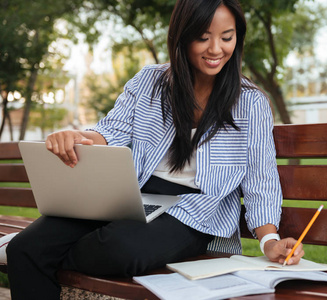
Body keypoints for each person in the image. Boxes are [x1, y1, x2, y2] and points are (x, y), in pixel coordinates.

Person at [1, 0, 304, 298]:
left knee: (118, 250)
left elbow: (259, 180)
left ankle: (46, 253)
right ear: (182, 36)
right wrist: (77, 138)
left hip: (194, 212)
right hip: (130, 197)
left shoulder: (251, 103)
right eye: (203, 37)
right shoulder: (149, 82)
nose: (216, 49)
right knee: (24, 249)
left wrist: (270, 242)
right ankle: (37, 250)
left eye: (227, 37)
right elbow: (110, 132)